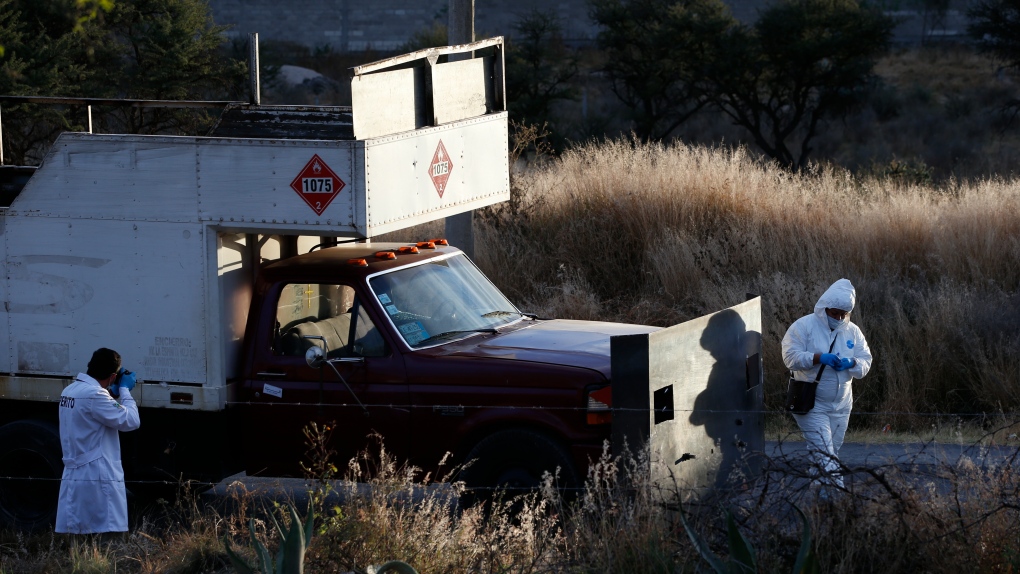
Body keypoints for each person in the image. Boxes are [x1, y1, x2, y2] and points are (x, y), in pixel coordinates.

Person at [781, 278, 872, 491]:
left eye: (843, 314)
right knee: (825, 455)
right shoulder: (803, 326)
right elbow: (790, 357)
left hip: (842, 405)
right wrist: (818, 357)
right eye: (834, 313)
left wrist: (852, 363)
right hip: (812, 403)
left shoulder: (852, 331)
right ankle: (837, 497)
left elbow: (866, 361)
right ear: (825, 308)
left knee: (828, 453)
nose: (838, 318)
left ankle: (819, 498)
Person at [56, 348, 141, 534]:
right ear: (113, 376)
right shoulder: (95, 395)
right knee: (104, 535)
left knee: (78, 533)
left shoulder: (69, 390)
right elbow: (132, 421)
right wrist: (124, 390)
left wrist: (111, 393)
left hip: (76, 472)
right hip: (96, 476)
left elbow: (97, 410)